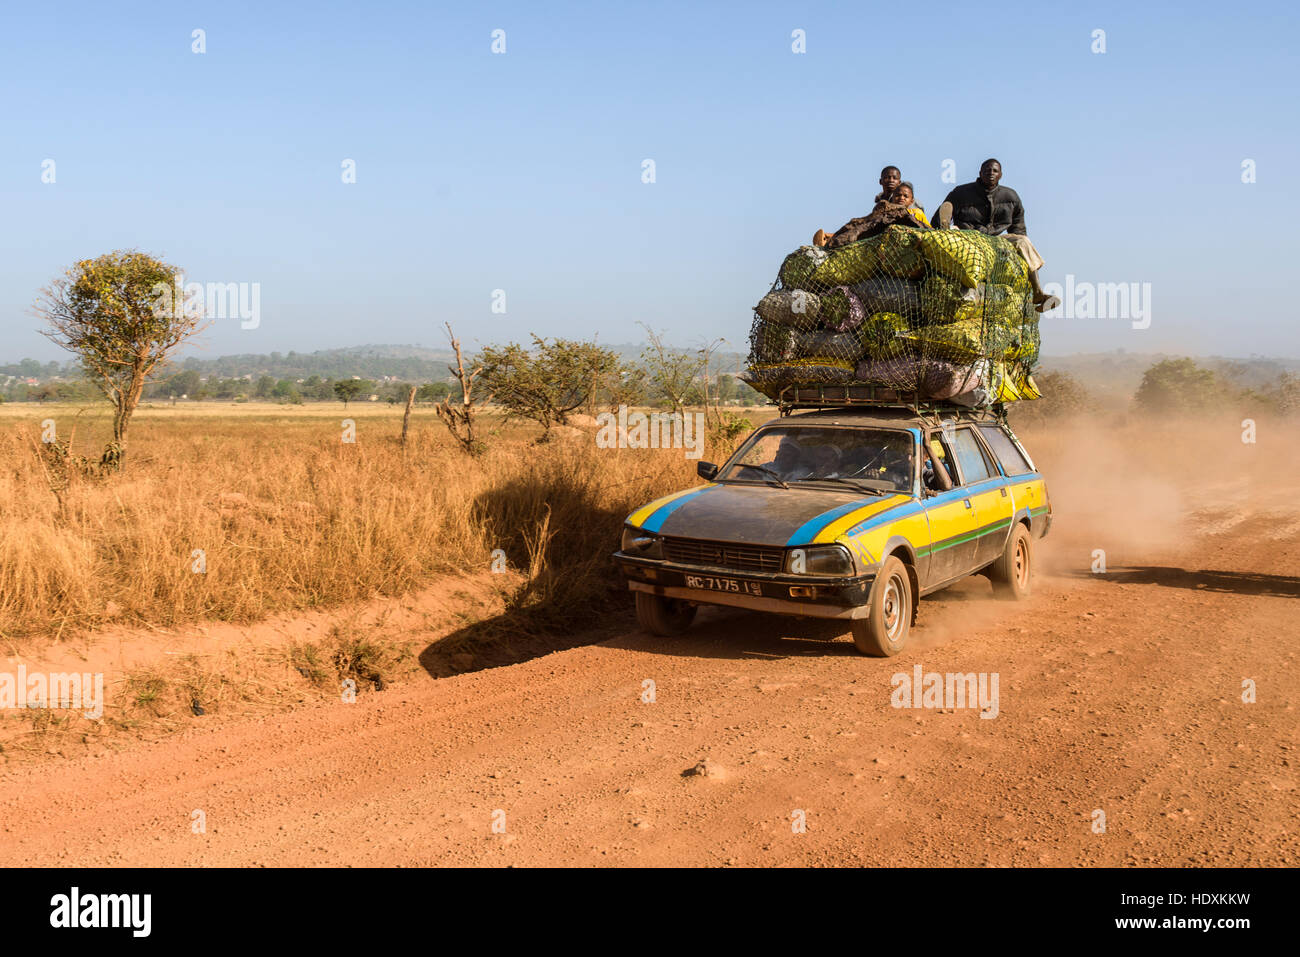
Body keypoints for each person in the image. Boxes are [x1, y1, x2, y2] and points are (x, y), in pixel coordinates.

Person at [934, 159, 1060, 311]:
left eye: (994, 171)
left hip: (995, 240)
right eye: (987, 170)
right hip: (968, 235)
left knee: (1023, 241)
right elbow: (936, 220)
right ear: (980, 173)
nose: (991, 173)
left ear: (1001, 174)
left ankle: (1038, 292)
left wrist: (1017, 254)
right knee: (951, 231)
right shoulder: (960, 193)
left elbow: (1018, 229)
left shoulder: (1010, 197)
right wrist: (946, 223)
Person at [813, 165, 913, 247]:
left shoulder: (902, 200)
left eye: (894, 178)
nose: (891, 180)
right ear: (880, 181)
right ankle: (830, 238)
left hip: (890, 230)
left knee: (860, 229)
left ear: (899, 182)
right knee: (855, 223)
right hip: (878, 225)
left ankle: (830, 240)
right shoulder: (881, 201)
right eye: (887, 177)